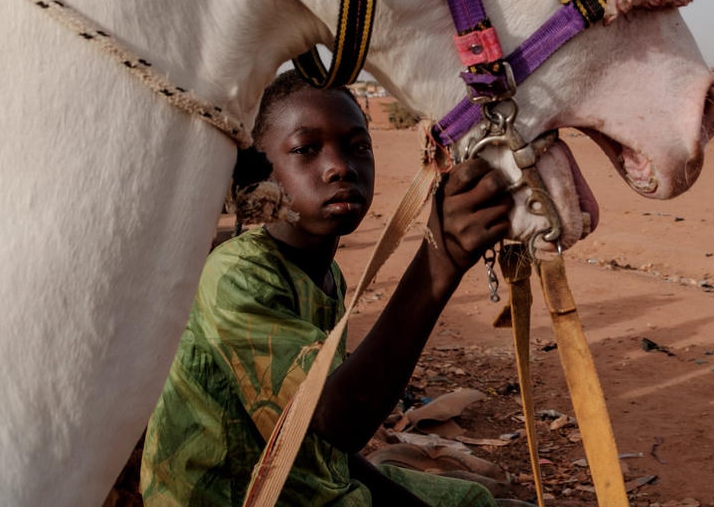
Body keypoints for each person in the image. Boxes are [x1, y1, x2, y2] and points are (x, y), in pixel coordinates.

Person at [141, 70, 518, 506]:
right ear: (264, 171)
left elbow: (322, 443)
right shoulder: (237, 275)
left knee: (472, 499)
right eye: (306, 149)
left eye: (359, 147)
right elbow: (335, 419)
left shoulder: (326, 276)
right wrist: (440, 260)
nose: (341, 166)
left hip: (308, 485)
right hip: (235, 498)